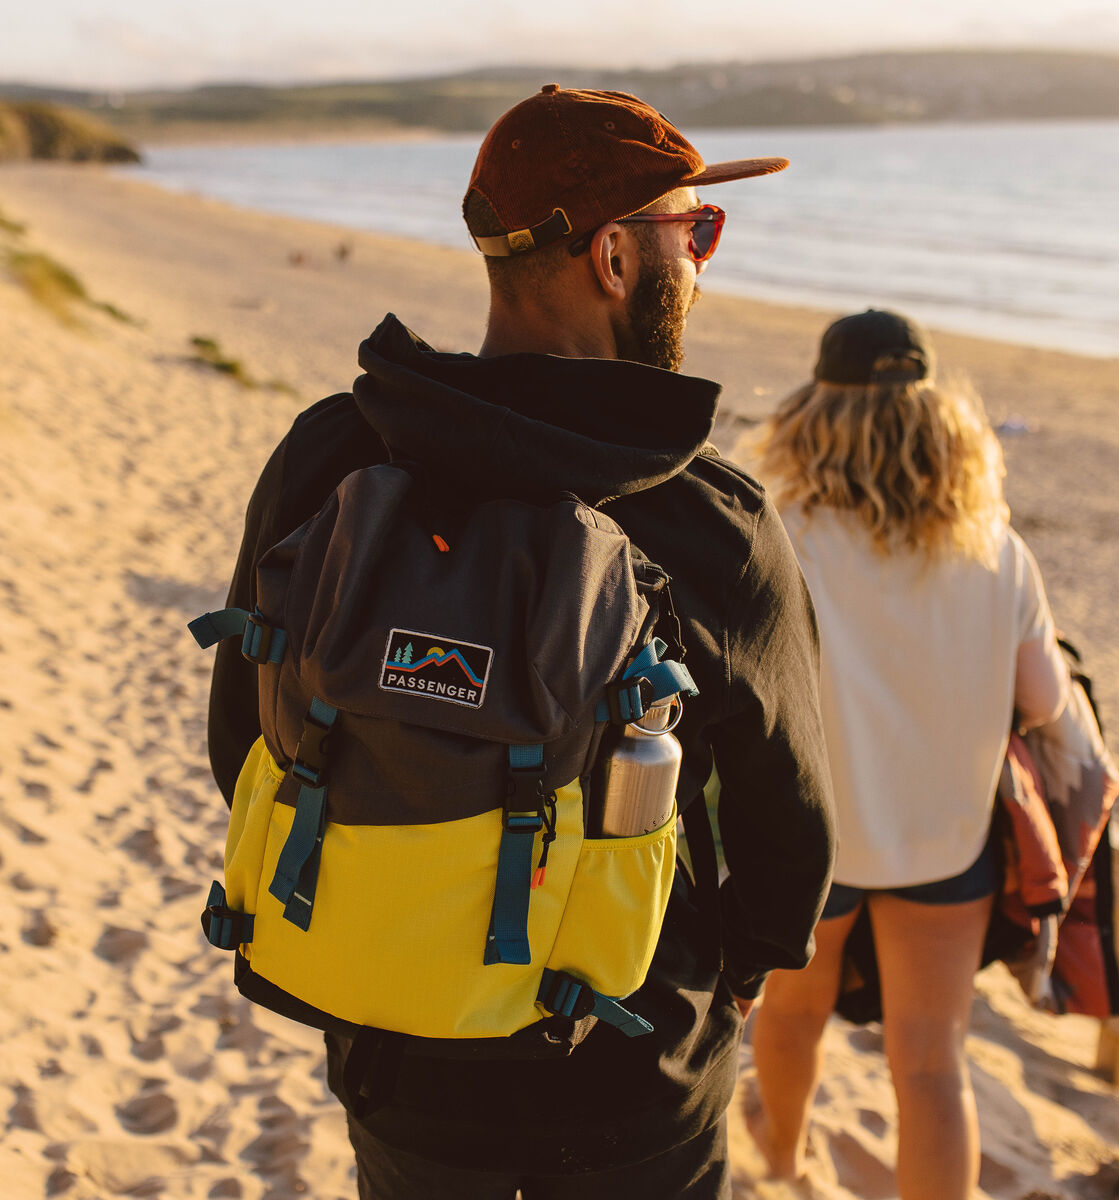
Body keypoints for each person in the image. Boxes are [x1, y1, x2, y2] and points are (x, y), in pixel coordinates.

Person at [206, 84, 836, 1199]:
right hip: (634, 1074)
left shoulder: (331, 459)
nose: (703, 256)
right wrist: (720, 984)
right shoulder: (712, 523)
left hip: (401, 1057)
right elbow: (793, 831)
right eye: (695, 230)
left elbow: (241, 742)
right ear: (613, 258)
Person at [745, 310, 1071, 1199]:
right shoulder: (997, 550)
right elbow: (1046, 704)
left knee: (795, 1011)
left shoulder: (783, 540)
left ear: (814, 414)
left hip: (819, 843)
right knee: (931, 1064)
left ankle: (780, 1158)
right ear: (941, 424)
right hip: (945, 840)